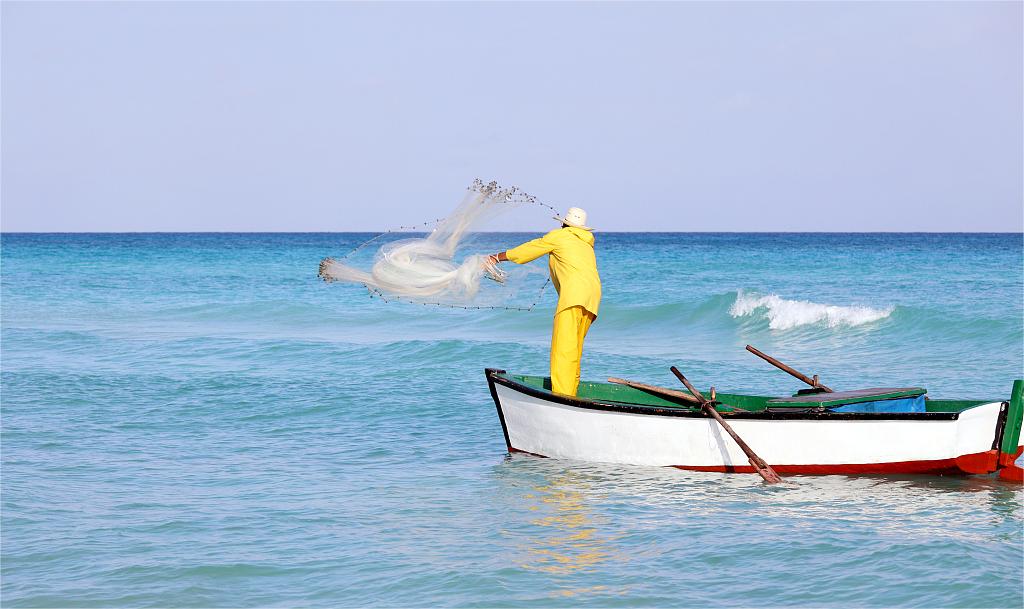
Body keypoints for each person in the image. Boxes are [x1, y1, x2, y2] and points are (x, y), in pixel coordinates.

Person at [488, 207, 601, 396]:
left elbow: (530, 248)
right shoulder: (586, 244)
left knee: (563, 350)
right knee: (574, 349)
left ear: (563, 223)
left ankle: (563, 396)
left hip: (573, 297)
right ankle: (571, 391)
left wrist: (496, 257)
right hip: (593, 299)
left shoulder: (559, 236)